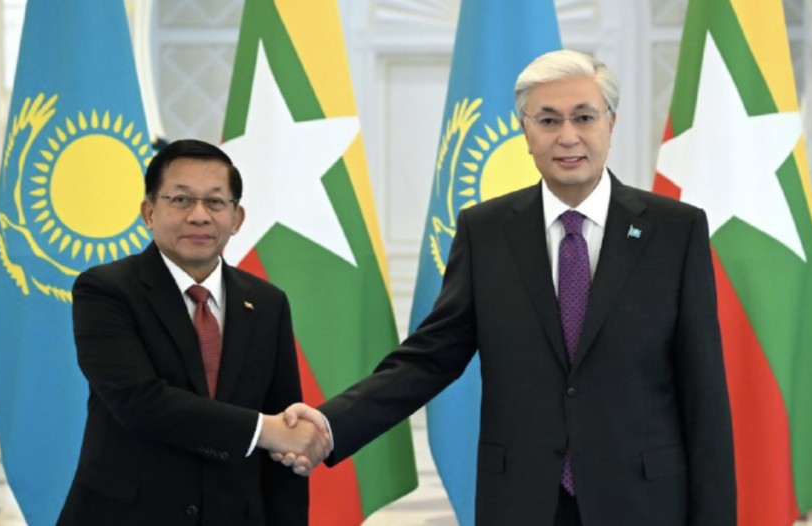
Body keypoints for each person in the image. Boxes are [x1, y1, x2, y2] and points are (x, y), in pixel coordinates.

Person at [276, 50, 736, 525]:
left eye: (584, 117)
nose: (568, 136)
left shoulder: (674, 231)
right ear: (525, 132)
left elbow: (703, 393)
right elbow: (429, 358)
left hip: (643, 504)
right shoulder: (486, 232)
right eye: (548, 120)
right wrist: (330, 424)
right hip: (522, 502)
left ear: (611, 123)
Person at [58, 139, 330, 526]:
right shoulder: (105, 289)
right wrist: (262, 431)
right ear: (149, 212)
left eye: (215, 202)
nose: (199, 216)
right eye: (181, 200)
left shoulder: (268, 303)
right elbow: (139, 402)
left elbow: (283, 436)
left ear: (236, 218)